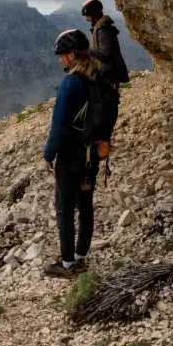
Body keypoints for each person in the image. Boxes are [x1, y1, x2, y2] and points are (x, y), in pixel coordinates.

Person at [42, 29, 104, 278]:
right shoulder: (96, 79)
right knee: (85, 205)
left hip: (69, 156)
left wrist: (48, 154)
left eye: (62, 55)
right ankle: (80, 257)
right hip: (92, 155)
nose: (59, 60)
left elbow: (58, 126)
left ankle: (66, 264)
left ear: (71, 56)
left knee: (65, 209)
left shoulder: (70, 82)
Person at [79, 0, 127, 164]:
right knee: (106, 106)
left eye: (87, 16)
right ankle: (102, 144)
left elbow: (105, 54)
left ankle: (103, 145)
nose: (86, 19)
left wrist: (88, 51)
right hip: (109, 73)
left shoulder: (103, 30)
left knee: (107, 108)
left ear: (92, 15)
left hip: (110, 74)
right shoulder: (102, 28)